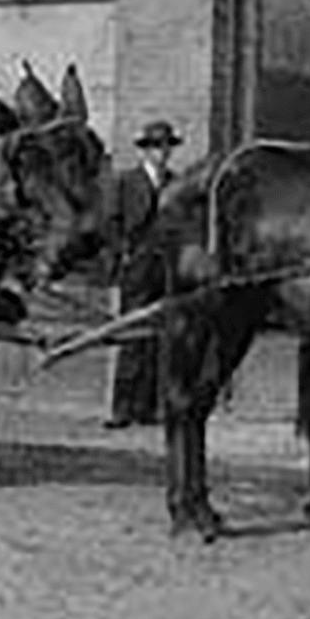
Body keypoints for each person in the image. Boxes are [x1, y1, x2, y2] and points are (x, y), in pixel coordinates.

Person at [104, 119, 180, 428]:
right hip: (137, 266)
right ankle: (122, 408)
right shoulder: (127, 182)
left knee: (162, 337)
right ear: (145, 151)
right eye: (155, 147)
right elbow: (112, 222)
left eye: (165, 147)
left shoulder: (176, 183)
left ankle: (152, 407)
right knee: (132, 334)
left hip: (166, 269)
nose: (161, 153)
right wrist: (120, 254)